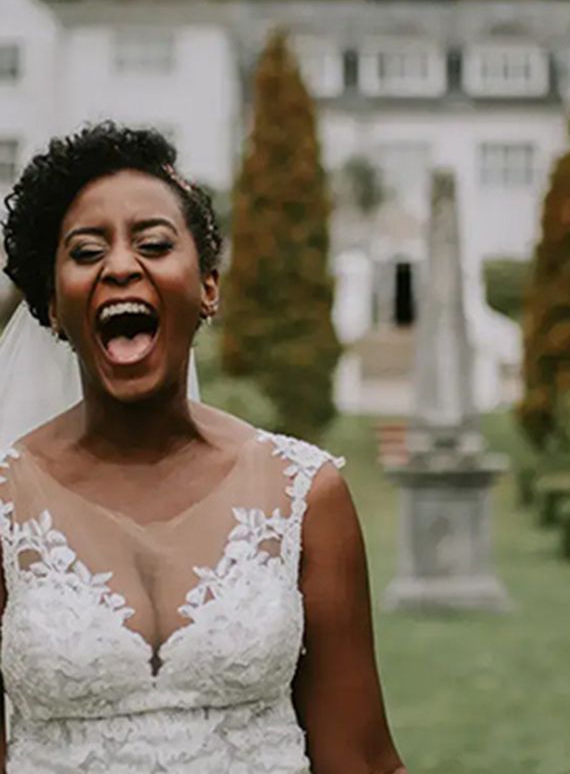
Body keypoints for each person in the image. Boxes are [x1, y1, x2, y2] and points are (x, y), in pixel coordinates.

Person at [0, 123, 406, 774]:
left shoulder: (305, 493)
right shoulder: (3, 504)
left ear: (208, 288)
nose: (122, 265)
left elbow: (358, 757)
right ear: (53, 303)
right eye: (85, 252)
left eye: (155, 243)